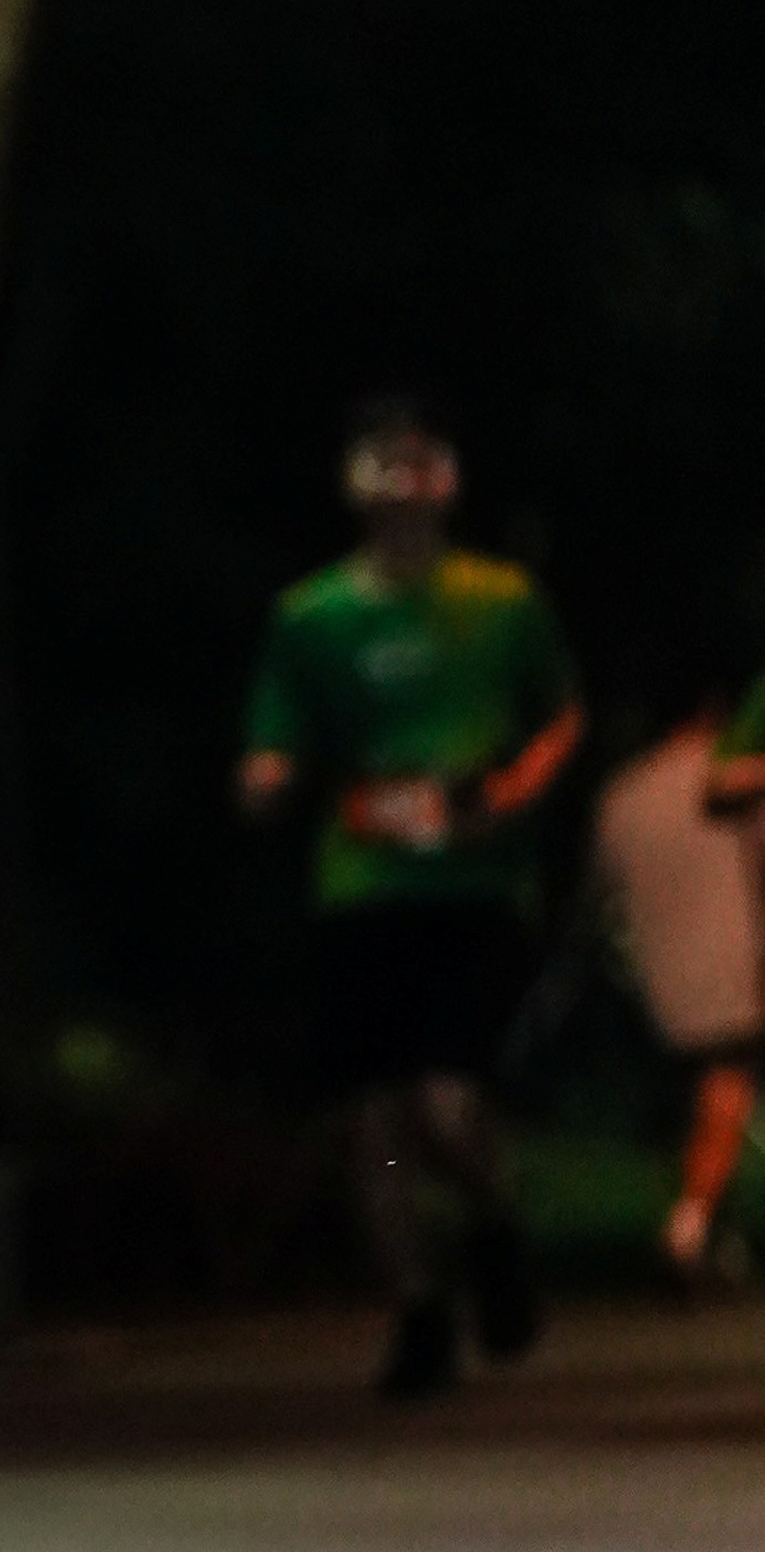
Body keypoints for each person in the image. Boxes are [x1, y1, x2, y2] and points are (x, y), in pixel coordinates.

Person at [240, 398, 582, 1396]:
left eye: (419, 461)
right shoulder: (311, 616)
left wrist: (508, 793)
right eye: (382, 463)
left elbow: (560, 715)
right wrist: (266, 778)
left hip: (472, 888)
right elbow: (274, 741)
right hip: (362, 887)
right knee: (372, 1120)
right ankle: (416, 1305)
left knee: (444, 1099)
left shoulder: (501, 599)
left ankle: (494, 1226)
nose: (402, 483)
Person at [592, 699, 765, 1286]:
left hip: (657, 976)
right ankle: (688, 1228)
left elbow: (604, 889)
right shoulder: (734, 776)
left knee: (704, 1100)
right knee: (727, 1087)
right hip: (735, 964)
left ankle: (713, 1231)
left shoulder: (624, 792)